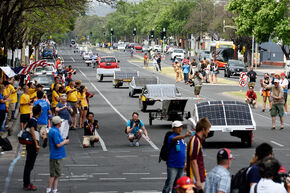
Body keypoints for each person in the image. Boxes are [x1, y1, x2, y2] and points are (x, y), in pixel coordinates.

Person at [162, 121, 191, 193]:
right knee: (169, 183)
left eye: (181, 127)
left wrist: (185, 163)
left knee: (177, 184)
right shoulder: (171, 137)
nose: (180, 129)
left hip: (181, 165)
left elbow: (183, 151)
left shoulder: (181, 139)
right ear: (173, 128)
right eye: (178, 127)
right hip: (173, 165)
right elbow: (174, 139)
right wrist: (185, 135)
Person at [186, 117, 211, 191]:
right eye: (208, 129)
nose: (209, 131)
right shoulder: (195, 140)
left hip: (200, 175)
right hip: (196, 177)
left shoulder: (198, 140)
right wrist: (198, 180)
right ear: (203, 129)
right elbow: (194, 161)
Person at [46, 116, 69, 193]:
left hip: (57, 155)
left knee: (56, 175)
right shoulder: (55, 131)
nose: (61, 123)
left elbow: (58, 141)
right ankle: (48, 190)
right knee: (53, 175)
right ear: (58, 123)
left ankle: (54, 190)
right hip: (56, 156)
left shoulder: (54, 130)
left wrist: (62, 140)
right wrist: (65, 141)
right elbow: (58, 144)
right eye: (61, 122)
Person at [23, 105, 42, 191]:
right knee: (29, 165)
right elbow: (31, 131)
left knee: (29, 165)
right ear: (39, 112)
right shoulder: (33, 121)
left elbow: (24, 128)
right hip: (32, 146)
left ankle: (27, 182)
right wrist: (36, 144)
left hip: (30, 145)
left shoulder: (31, 120)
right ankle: (27, 184)